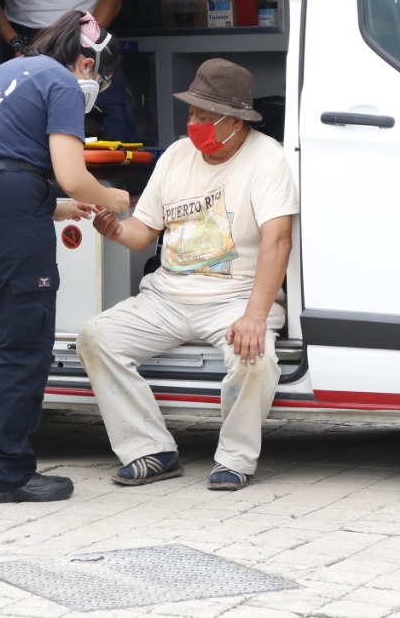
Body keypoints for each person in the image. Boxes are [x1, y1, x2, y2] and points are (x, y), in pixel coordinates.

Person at [77, 59, 298, 490]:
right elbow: (144, 234)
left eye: (203, 116)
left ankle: (234, 458)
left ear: (235, 122)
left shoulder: (267, 159)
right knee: (95, 336)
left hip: (236, 297)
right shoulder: (178, 155)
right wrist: (117, 229)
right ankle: (149, 448)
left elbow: (279, 241)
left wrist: (254, 316)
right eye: (191, 113)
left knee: (254, 358)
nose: (192, 123)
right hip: (167, 297)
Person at [0, 10, 129, 503]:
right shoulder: (64, 85)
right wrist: (112, 199)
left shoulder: (3, 73)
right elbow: (71, 172)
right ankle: (7, 473)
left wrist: (53, 206)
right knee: (23, 343)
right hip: (6, 200)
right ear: (86, 63)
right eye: (100, 78)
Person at [0, 0, 138, 141]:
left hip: (84, 37)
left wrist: (85, 45)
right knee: (28, 127)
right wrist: (17, 44)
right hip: (25, 39)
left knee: (110, 129)